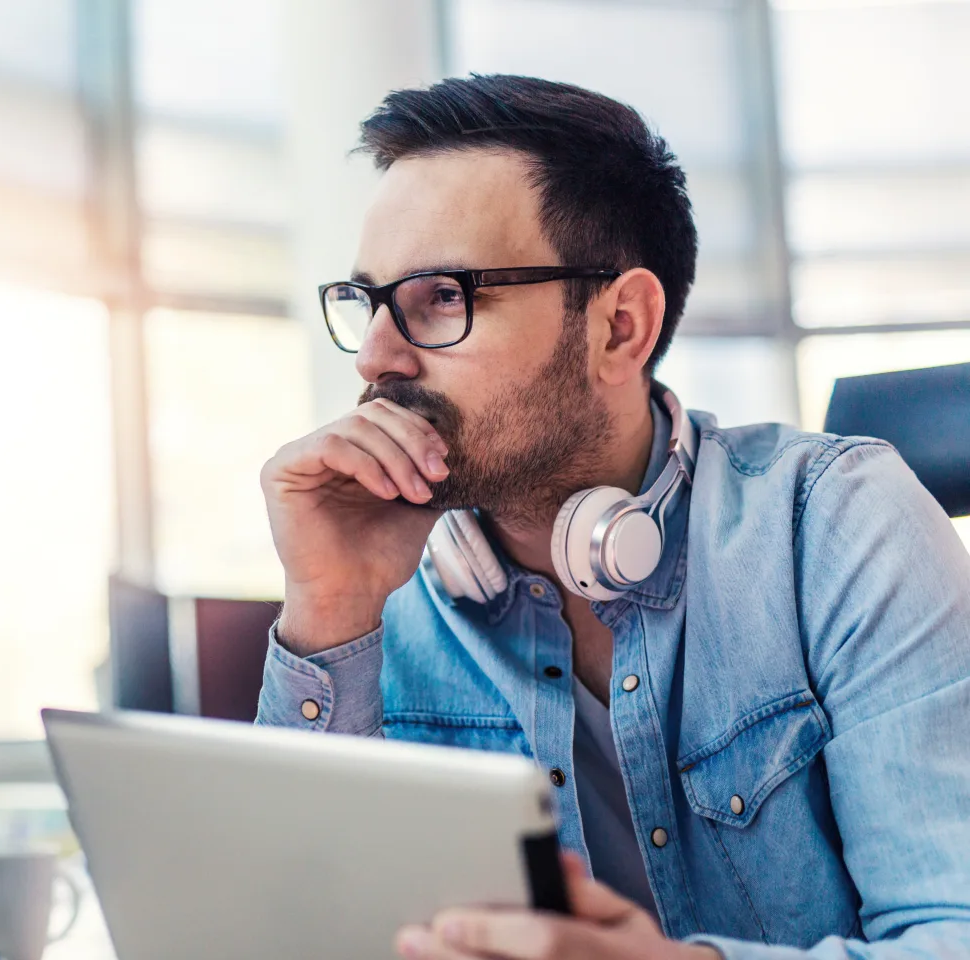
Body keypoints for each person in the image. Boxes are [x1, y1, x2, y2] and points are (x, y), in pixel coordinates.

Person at [255, 74, 970, 960]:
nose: (374, 357)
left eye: (443, 296)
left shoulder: (835, 524)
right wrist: (331, 612)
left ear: (620, 326)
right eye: (367, 303)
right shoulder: (374, 588)